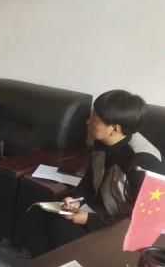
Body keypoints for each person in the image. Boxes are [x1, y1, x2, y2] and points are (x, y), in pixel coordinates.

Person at [28, 90, 165, 257]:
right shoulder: (103, 141)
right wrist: (76, 199)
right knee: (51, 217)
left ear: (114, 128)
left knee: (65, 232)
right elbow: (90, 178)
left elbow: (146, 221)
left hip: (126, 227)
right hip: (102, 212)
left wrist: (89, 219)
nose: (87, 122)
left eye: (94, 119)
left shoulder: (144, 161)